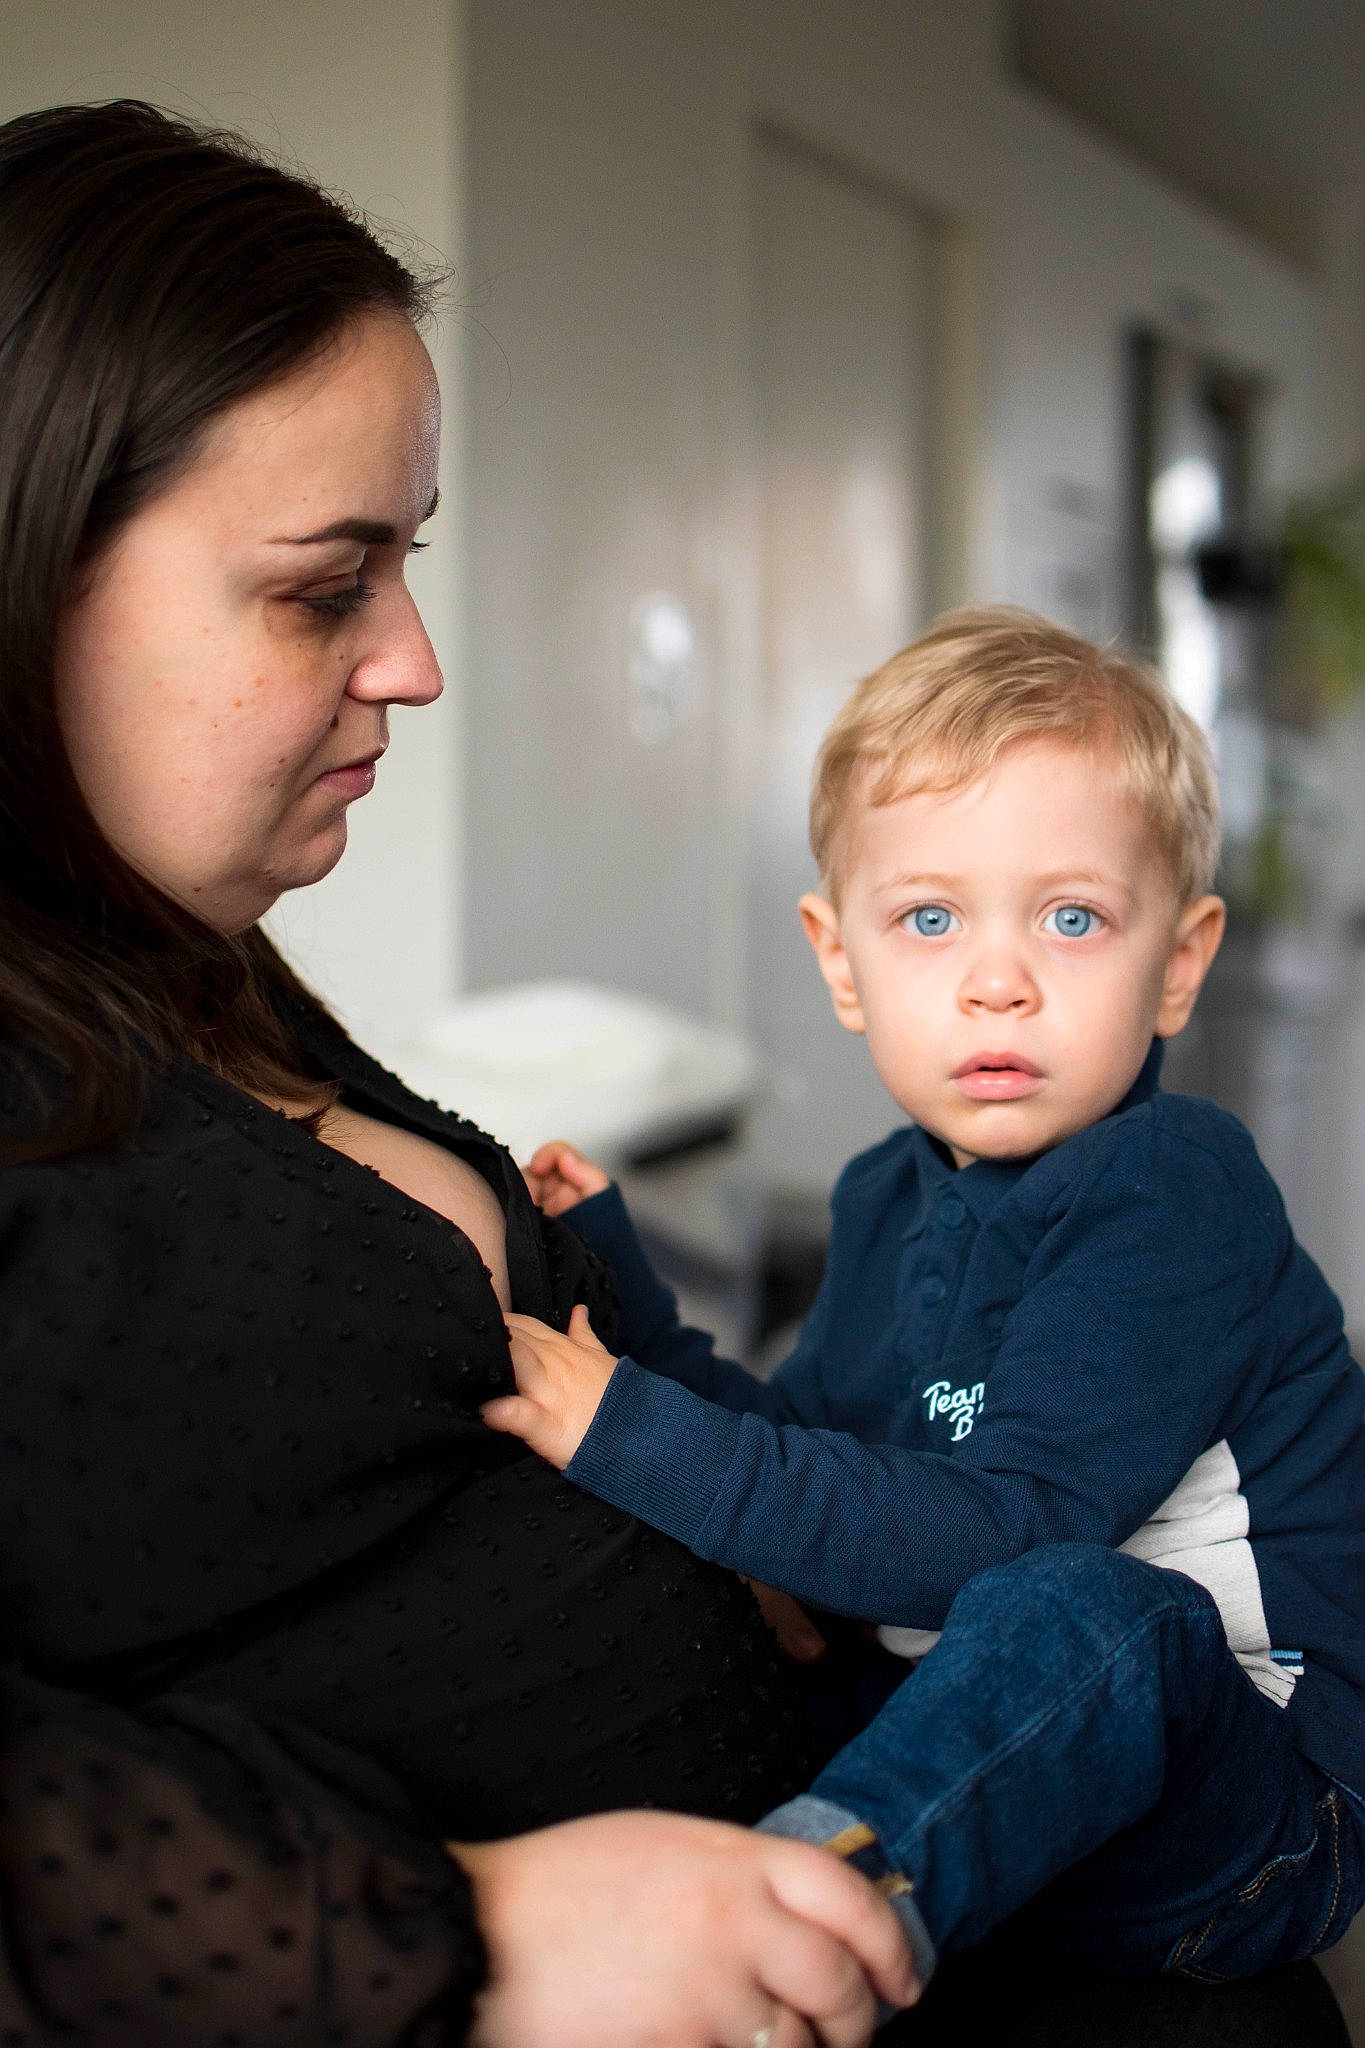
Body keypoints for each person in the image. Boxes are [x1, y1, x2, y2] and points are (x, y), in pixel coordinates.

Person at [0, 98, 918, 2045]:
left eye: (401, 564)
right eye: (323, 585)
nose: (410, 659)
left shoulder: (194, 965)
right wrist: (466, 1935)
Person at [488, 611, 1365, 1981]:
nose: (998, 980)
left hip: (1243, 1819)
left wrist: (629, 1434)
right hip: (990, 1764)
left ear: (1177, 962)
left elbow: (1009, 1530)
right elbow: (808, 1456)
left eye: (1071, 918)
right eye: (929, 918)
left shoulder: (1170, 1186)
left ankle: (803, 1924)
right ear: (842, 960)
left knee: (1091, 1604)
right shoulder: (881, 1196)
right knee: (755, 1597)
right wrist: (620, 1297)